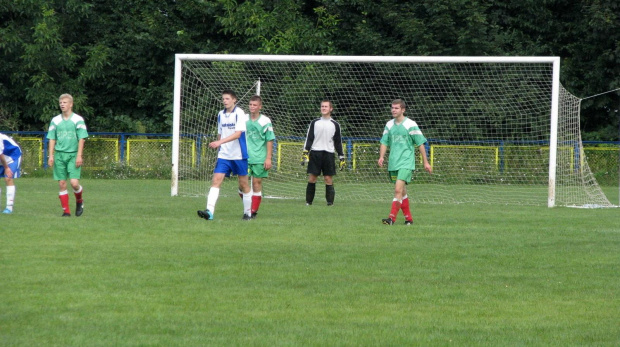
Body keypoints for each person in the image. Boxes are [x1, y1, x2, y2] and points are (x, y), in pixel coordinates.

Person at [197, 89, 252, 221]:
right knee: (216, 181)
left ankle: (247, 212)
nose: (225, 101)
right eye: (223, 99)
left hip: (239, 155)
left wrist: (219, 142)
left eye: (227, 99)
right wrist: (219, 146)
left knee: (243, 184)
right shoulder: (220, 114)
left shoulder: (239, 113)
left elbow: (238, 134)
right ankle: (209, 211)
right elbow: (220, 133)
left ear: (234, 100)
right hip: (224, 155)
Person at [378, 99, 432, 225]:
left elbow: (420, 143)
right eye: (392, 108)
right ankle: (409, 219)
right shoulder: (389, 125)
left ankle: (391, 218)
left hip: (406, 162)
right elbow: (384, 142)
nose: (393, 110)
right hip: (393, 162)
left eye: (396, 108)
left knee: (397, 190)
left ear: (403, 110)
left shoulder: (410, 124)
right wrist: (381, 157)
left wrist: (426, 162)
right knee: (402, 192)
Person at [47, 93, 89, 217]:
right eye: (61, 103)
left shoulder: (78, 119)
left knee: (74, 183)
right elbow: (52, 138)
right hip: (59, 155)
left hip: (73, 155)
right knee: (62, 183)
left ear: (71, 104)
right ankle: (66, 211)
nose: (62, 105)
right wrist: (51, 155)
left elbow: (82, 138)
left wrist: (79, 155)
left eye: (65, 102)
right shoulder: (55, 120)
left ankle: (79, 200)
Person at [301, 99, 345, 206]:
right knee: (312, 178)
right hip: (315, 153)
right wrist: (305, 152)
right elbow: (309, 138)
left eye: (326, 107)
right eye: (322, 106)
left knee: (328, 178)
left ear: (331, 109)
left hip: (329, 154)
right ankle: (308, 202)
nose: (323, 108)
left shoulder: (335, 125)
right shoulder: (315, 123)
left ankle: (330, 203)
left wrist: (341, 157)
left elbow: (338, 142)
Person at [245, 95, 275, 219]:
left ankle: (253, 211)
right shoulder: (243, 119)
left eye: (255, 105)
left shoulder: (265, 121)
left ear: (260, 107)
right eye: (251, 104)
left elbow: (269, 139)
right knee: (242, 184)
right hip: (244, 157)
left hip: (259, 158)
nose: (252, 107)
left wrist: (268, 158)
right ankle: (248, 206)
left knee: (256, 183)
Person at [0, 133, 22, 214]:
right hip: (2, 159)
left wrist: (6, 168)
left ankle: (9, 207)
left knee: (8, 178)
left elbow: (0, 155)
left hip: (13, 156)